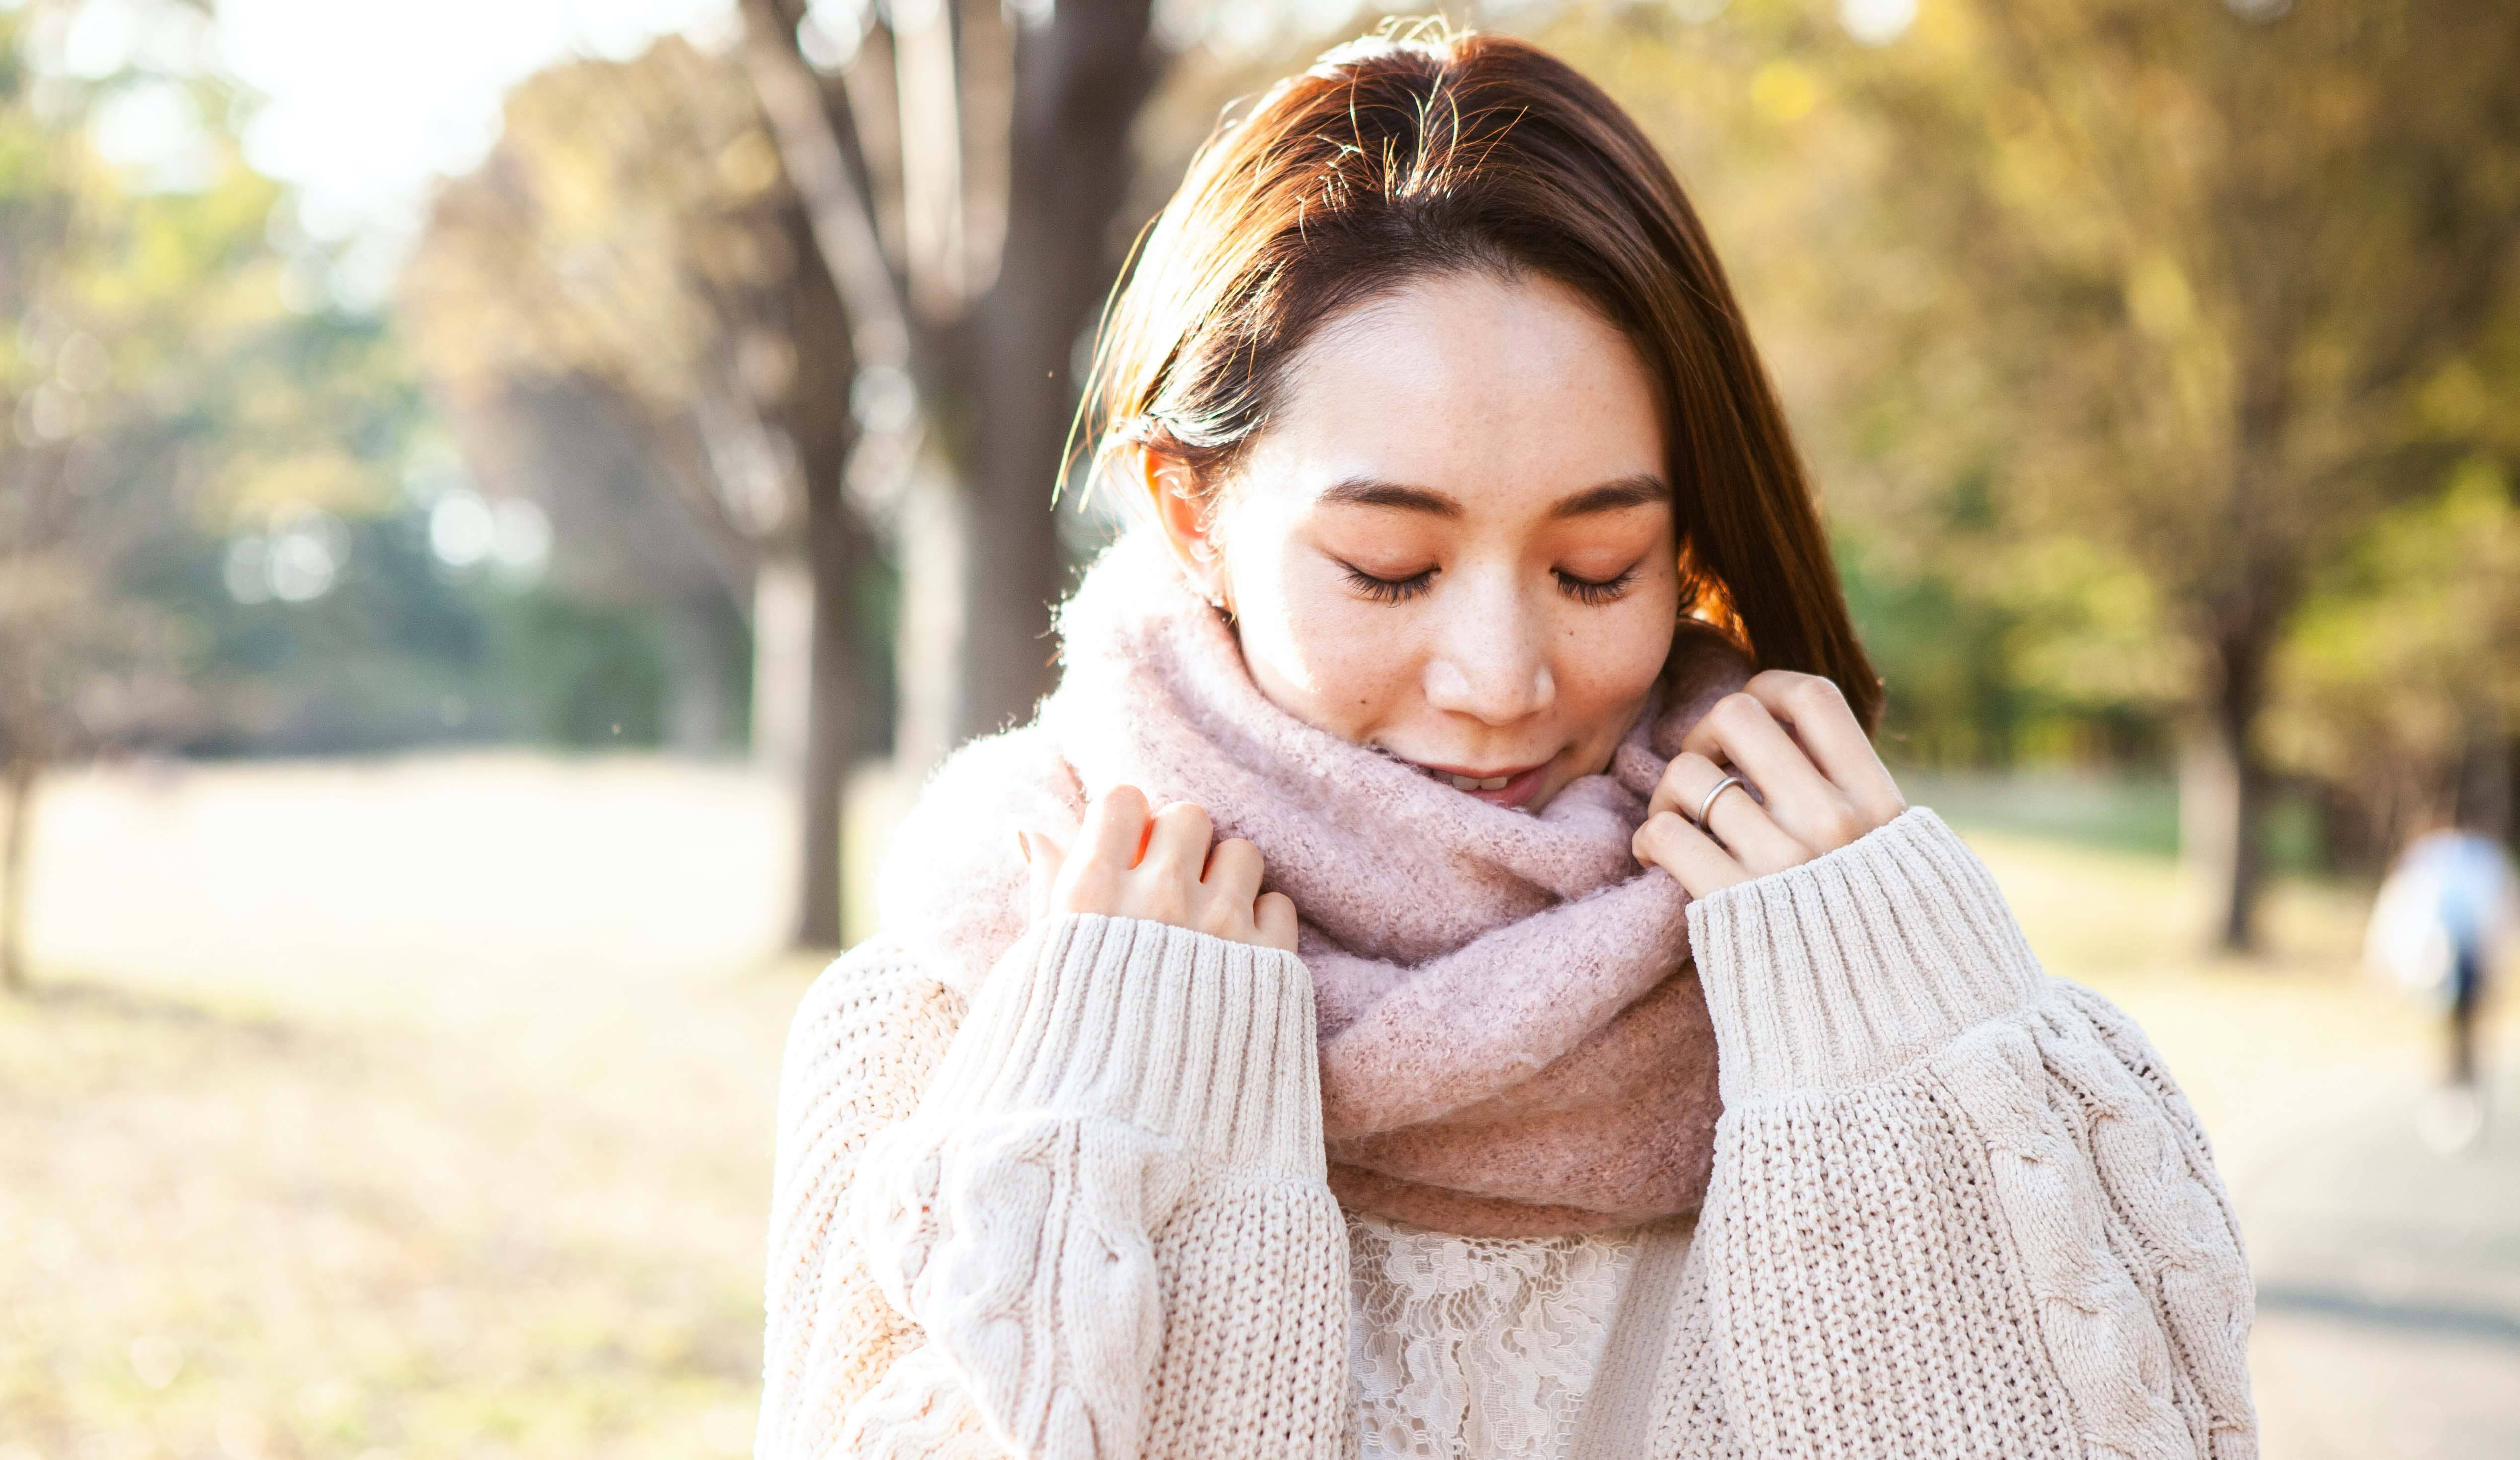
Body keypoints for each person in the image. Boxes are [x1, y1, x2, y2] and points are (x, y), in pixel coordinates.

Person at [755, 23, 2256, 1459]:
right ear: (1188, 512)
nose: (1499, 677)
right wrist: (1127, 1123)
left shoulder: (1880, 979)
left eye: (1598, 568)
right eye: (1391, 567)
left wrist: (1906, 1056)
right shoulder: (944, 1017)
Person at [2365, 806, 2518, 1151]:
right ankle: (2454, 1097)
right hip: (2443, 962)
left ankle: (2458, 1097)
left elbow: (2395, 911)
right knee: (2455, 1035)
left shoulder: (2439, 857)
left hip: (2460, 963)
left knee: (2459, 1034)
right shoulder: (2468, 859)